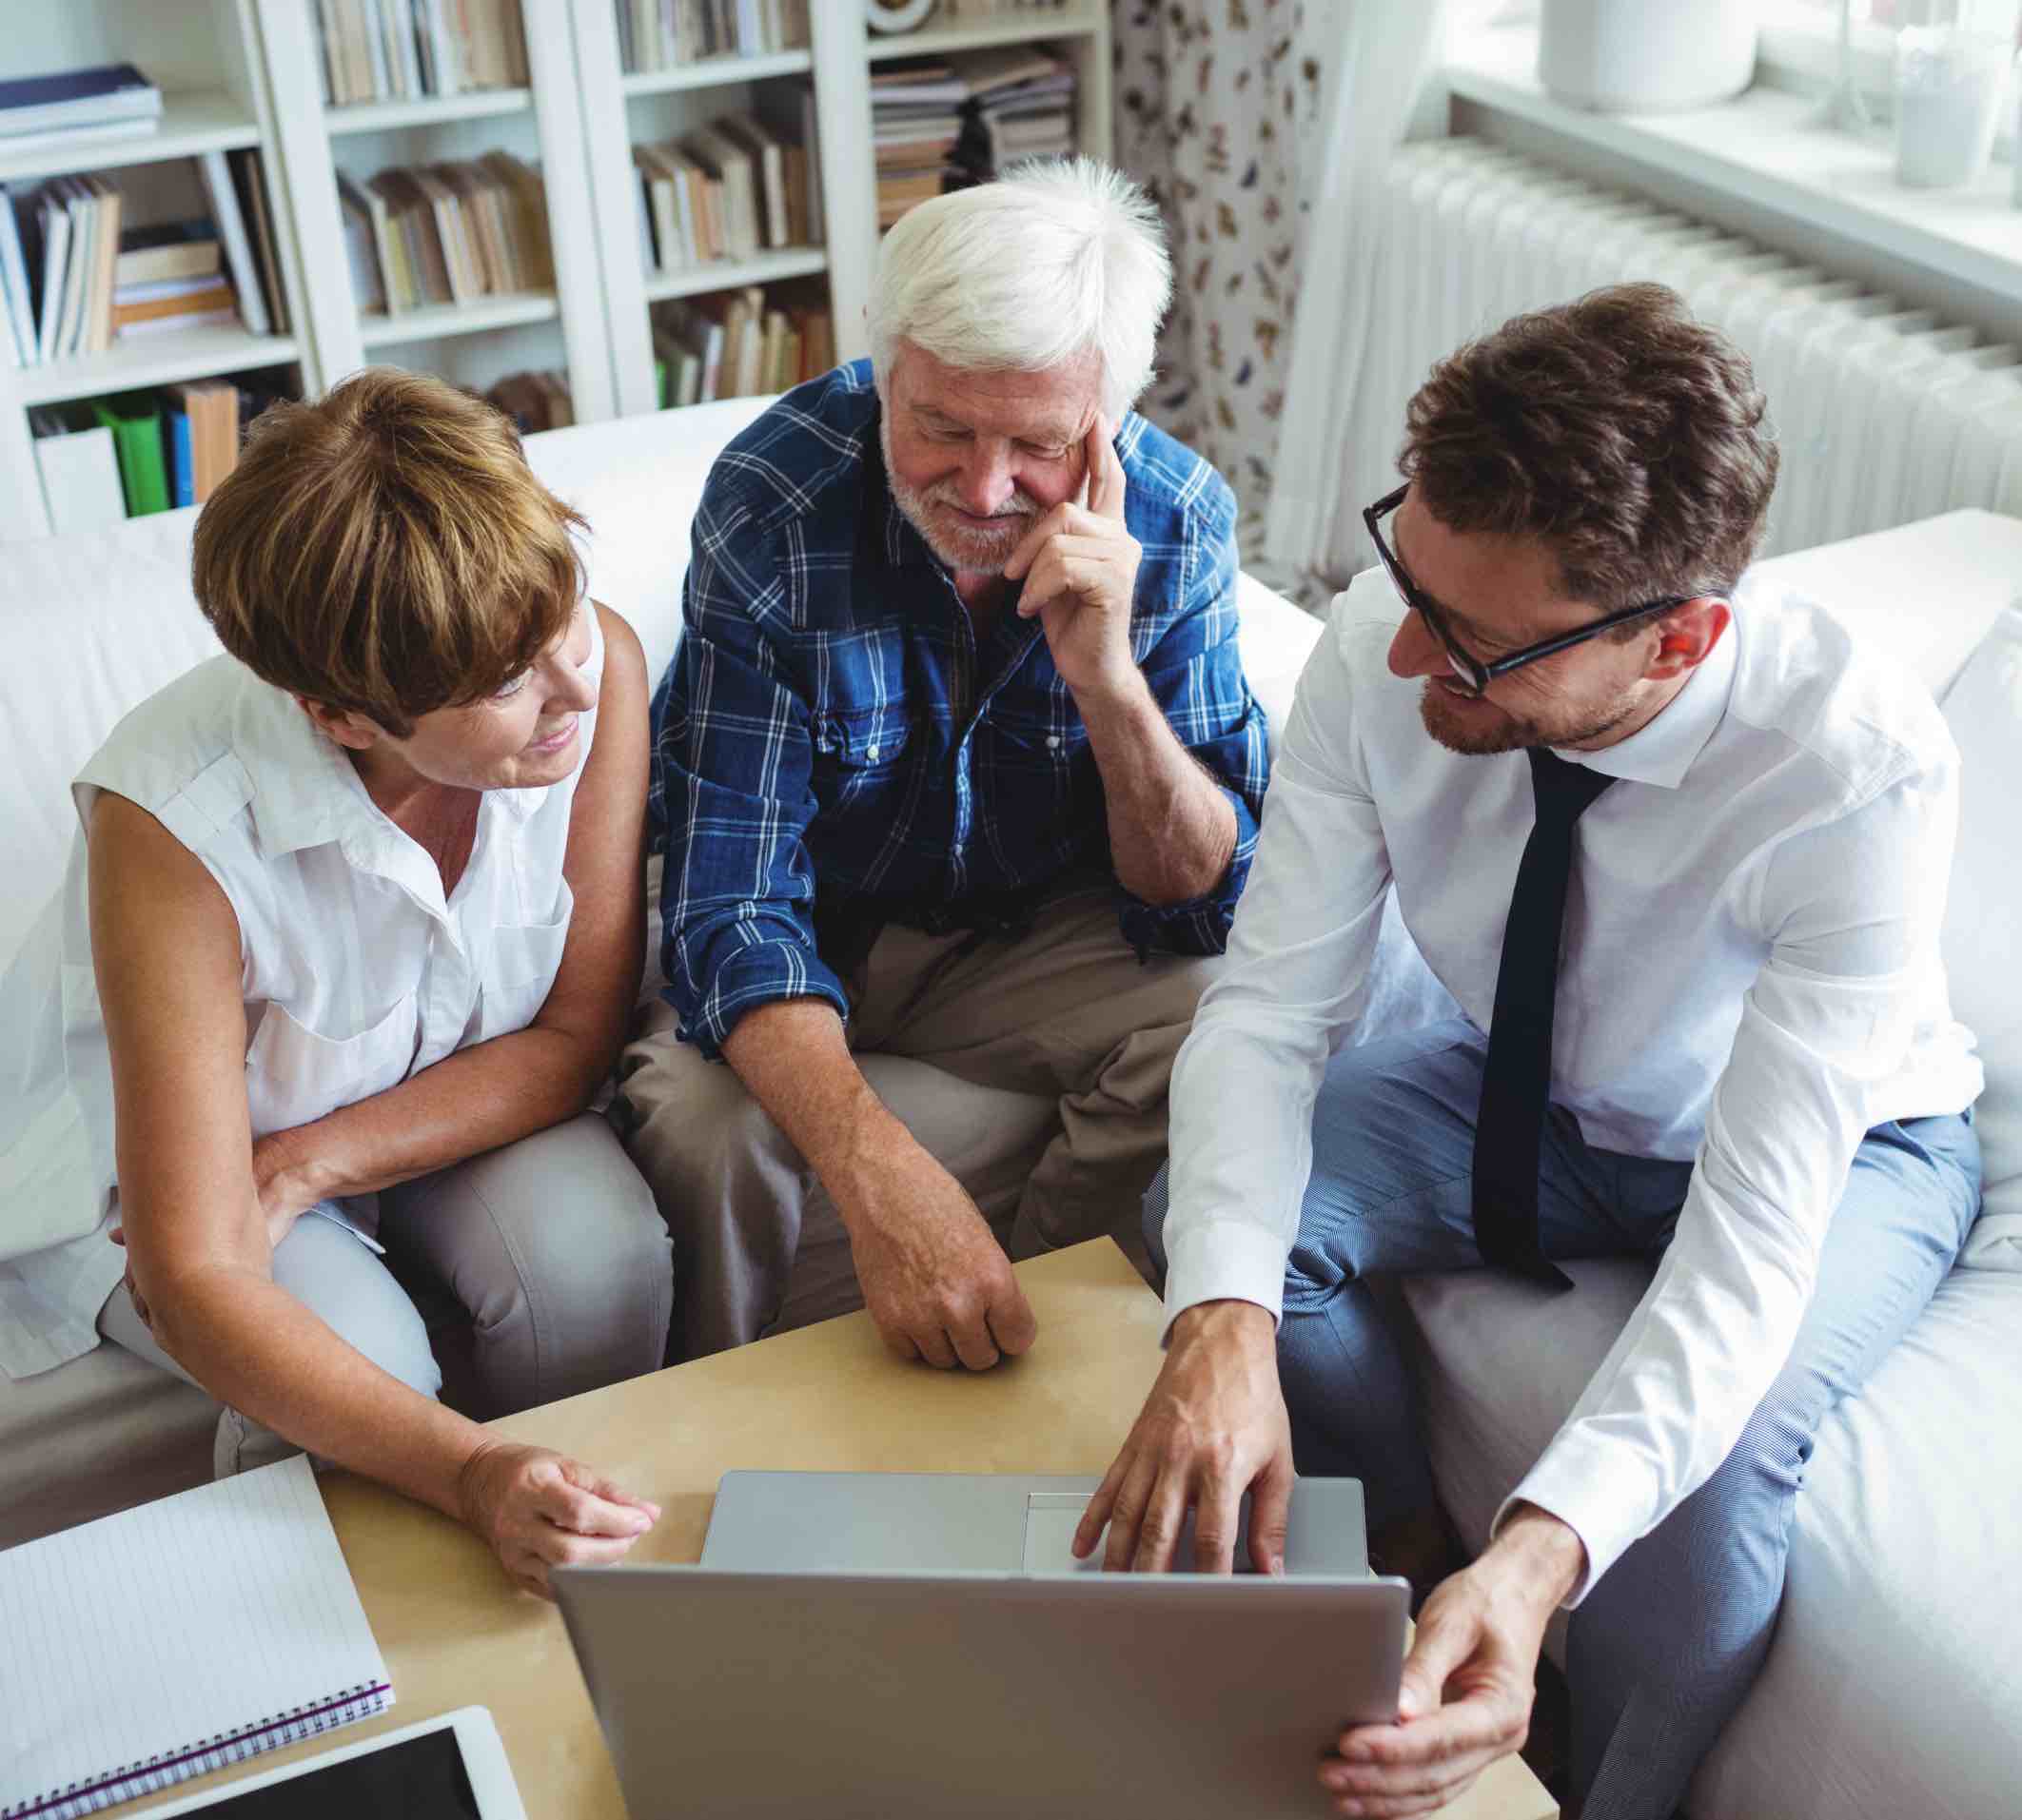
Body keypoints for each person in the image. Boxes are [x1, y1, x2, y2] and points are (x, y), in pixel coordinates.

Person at [1083, 284, 1984, 1818]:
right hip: (1518, 1087)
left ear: (1679, 636)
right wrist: (1222, 1323)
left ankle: (1604, 1791)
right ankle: (1398, 1568)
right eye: (1407, 578)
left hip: (1827, 1145)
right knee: (1210, 1240)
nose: (1400, 654)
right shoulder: (1387, 640)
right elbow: (1271, 1008)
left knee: (1700, 1490)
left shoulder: (1854, 774)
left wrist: (1547, 1538)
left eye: (1476, 645)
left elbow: (1751, 1246)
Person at [0, 370, 675, 1598]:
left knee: (599, 1261)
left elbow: (576, 1033)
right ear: (338, 715)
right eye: (505, 681)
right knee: (357, 1365)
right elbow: (197, 1269)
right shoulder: (174, 823)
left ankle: (596, 1588)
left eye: (562, 615)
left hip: (423, 1104)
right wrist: (470, 1472)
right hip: (150, 1184)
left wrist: (313, 1158)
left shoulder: (597, 672)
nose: (576, 686)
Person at [615, 157, 1268, 1369]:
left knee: (1223, 1009)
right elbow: (733, 901)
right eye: (940, 426)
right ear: (884, 371)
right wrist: (883, 1176)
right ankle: (718, 1408)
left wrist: (1111, 684)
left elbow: (1203, 897)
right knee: (707, 1125)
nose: (982, 488)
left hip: (1024, 938)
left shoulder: (1179, 518)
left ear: (1109, 419)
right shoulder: (775, 500)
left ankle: (1043, 1350)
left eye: (1036, 443)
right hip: (816, 920)